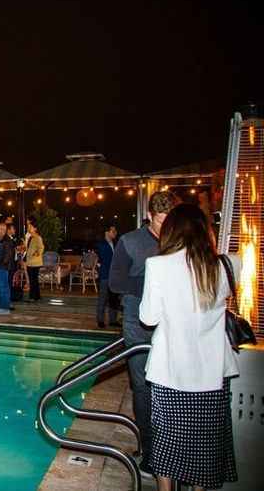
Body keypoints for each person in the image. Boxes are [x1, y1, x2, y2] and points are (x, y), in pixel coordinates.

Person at [139, 203, 239, 491]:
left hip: (171, 370)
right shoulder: (227, 264)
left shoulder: (159, 266)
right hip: (213, 374)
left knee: (167, 444)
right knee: (204, 449)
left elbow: (148, 317)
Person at [109, 190, 176, 477]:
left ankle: (172, 448)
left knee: (171, 387)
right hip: (138, 323)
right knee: (143, 387)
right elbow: (115, 282)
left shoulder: (180, 241)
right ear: (150, 216)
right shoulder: (130, 242)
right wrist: (153, 286)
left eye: (170, 222)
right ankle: (149, 451)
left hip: (173, 324)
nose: (165, 229)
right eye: (161, 222)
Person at [96, 223, 119, 328]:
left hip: (114, 276)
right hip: (105, 275)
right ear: (107, 232)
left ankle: (113, 320)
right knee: (103, 299)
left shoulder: (115, 243)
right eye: (113, 231)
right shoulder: (102, 244)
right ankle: (100, 320)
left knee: (113, 299)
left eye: (115, 231)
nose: (115, 233)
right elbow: (106, 260)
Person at [0, 223, 14, 314]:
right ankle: (2, 305)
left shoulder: (7, 240)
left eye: (2, 229)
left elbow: (7, 256)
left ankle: (4, 308)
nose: (0, 230)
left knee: (3, 287)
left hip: (2, 267)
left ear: (5, 230)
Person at [25, 217, 44, 302]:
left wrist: (35, 254)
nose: (29, 228)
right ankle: (37, 296)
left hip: (35, 262)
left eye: (30, 227)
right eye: (28, 227)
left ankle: (32, 297)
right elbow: (29, 248)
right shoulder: (30, 238)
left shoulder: (37, 237)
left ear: (35, 229)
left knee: (33, 280)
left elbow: (41, 248)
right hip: (30, 262)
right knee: (34, 280)